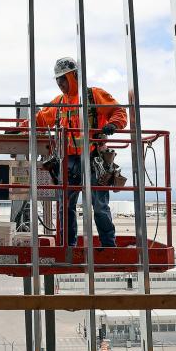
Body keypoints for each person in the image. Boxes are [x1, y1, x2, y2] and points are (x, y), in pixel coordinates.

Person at [33, 57, 126, 247]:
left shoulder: (93, 95)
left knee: (99, 205)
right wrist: (17, 128)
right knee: (65, 206)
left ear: (74, 76)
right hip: (68, 161)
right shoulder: (58, 103)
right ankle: (68, 246)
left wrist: (112, 124)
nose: (60, 84)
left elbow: (119, 111)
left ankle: (109, 245)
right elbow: (39, 120)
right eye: (58, 80)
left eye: (63, 79)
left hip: (94, 159)